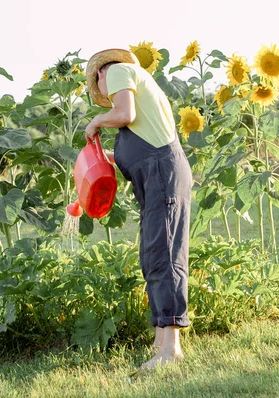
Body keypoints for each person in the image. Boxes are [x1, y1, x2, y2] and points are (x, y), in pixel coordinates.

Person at [85, 49, 193, 369]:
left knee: (165, 255)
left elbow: (123, 114)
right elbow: (136, 143)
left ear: (101, 74)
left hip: (163, 175)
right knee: (153, 256)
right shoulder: (138, 91)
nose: (103, 92)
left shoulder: (117, 69)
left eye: (97, 85)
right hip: (158, 178)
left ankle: (171, 350)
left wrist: (96, 121)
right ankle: (161, 340)